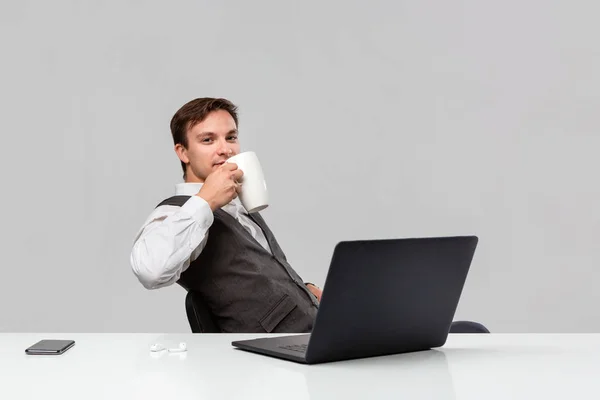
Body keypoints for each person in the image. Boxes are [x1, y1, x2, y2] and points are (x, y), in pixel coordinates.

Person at [130, 97, 321, 333]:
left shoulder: (236, 204)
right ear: (183, 152)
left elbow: (259, 277)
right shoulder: (177, 212)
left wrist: (303, 291)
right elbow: (150, 270)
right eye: (208, 140)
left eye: (231, 137)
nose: (226, 149)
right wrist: (205, 200)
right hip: (264, 355)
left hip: (310, 331)